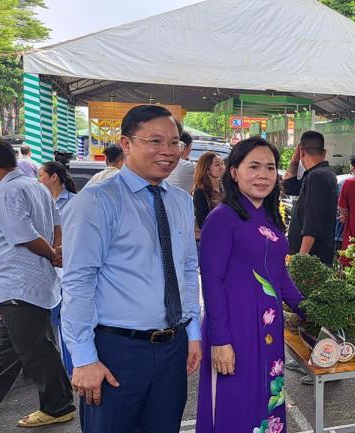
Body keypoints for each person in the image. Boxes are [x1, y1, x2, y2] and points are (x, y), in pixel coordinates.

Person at [61, 105, 201, 433]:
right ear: (126, 144)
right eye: (155, 141)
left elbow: (187, 268)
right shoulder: (97, 201)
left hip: (172, 348)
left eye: (174, 143)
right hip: (116, 352)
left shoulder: (181, 200)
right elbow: (79, 280)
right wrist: (83, 357)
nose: (167, 151)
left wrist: (192, 332)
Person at [0, 138, 75, 428]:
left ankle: (59, 406)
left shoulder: (7, 192)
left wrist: (52, 254)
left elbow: (24, 235)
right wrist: (55, 251)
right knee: (11, 343)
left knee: (36, 348)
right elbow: (56, 223)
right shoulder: (34, 185)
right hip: (25, 281)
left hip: (20, 281)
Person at [195, 137, 305, 433]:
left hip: (268, 329)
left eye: (270, 168)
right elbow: (212, 280)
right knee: (234, 410)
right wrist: (219, 341)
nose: (263, 175)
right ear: (234, 172)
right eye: (253, 166)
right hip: (234, 331)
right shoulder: (222, 218)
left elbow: (278, 276)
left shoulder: (268, 217)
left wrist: (309, 309)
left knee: (266, 402)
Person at [37, 161, 79, 376]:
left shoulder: (74, 202)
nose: (38, 180)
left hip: (68, 264)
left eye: (41, 175)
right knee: (51, 319)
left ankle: (71, 367)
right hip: (48, 263)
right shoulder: (40, 202)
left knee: (67, 320)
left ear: (54, 177)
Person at [282, 131, 337, 266]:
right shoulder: (324, 174)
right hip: (318, 255)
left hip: (312, 258)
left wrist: (301, 259)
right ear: (324, 153)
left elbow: (312, 220)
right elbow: (289, 187)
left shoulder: (316, 177)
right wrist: (296, 159)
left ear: (301, 152)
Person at [192, 152, 224, 234]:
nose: (222, 167)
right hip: (214, 236)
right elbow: (202, 222)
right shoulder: (200, 191)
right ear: (206, 169)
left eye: (222, 164)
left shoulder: (227, 188)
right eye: (217, 165)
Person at [335, 156, 355, 250]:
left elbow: (339, 209)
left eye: (352, 170)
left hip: (342, 234)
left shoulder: (344, 183)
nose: (352, 173)